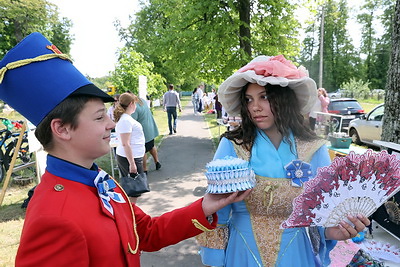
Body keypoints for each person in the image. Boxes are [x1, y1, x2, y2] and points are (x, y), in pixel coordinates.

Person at [1, 32, 251, 267]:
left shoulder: (101, 182)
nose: (111, 123)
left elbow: (148, 232)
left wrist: (207, 205)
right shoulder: (53, 217)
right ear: (62, 129)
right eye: (100, 117)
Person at [197, 55, 370, 267]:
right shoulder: (232, 145)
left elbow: (322, 214)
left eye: (265, 97)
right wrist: (215, 258)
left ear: (284, 99)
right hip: (241, 252)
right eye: (249, 99)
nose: (255, 107)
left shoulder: (313, 148)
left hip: (296, 252)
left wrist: (331, 231)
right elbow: (217, 213)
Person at [114, 93, 146, 201]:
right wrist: (132, 164)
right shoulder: (125, 120)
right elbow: (125, 143)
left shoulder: (126, 118)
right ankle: (131, 214)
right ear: (131, 104)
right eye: (135, 103)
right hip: (129, 158)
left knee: (134, 189)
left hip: (133, 157)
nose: (136, 106)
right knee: (133, 190)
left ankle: (131, 212)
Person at [131, 95, 161, 173]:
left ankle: (144, 169)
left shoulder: (134, 107)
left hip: (144, 131)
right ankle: (157, 161)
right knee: (151, 146)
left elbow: (132, 121)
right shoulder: (142, 101)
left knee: (142, 151)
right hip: (150, 128)